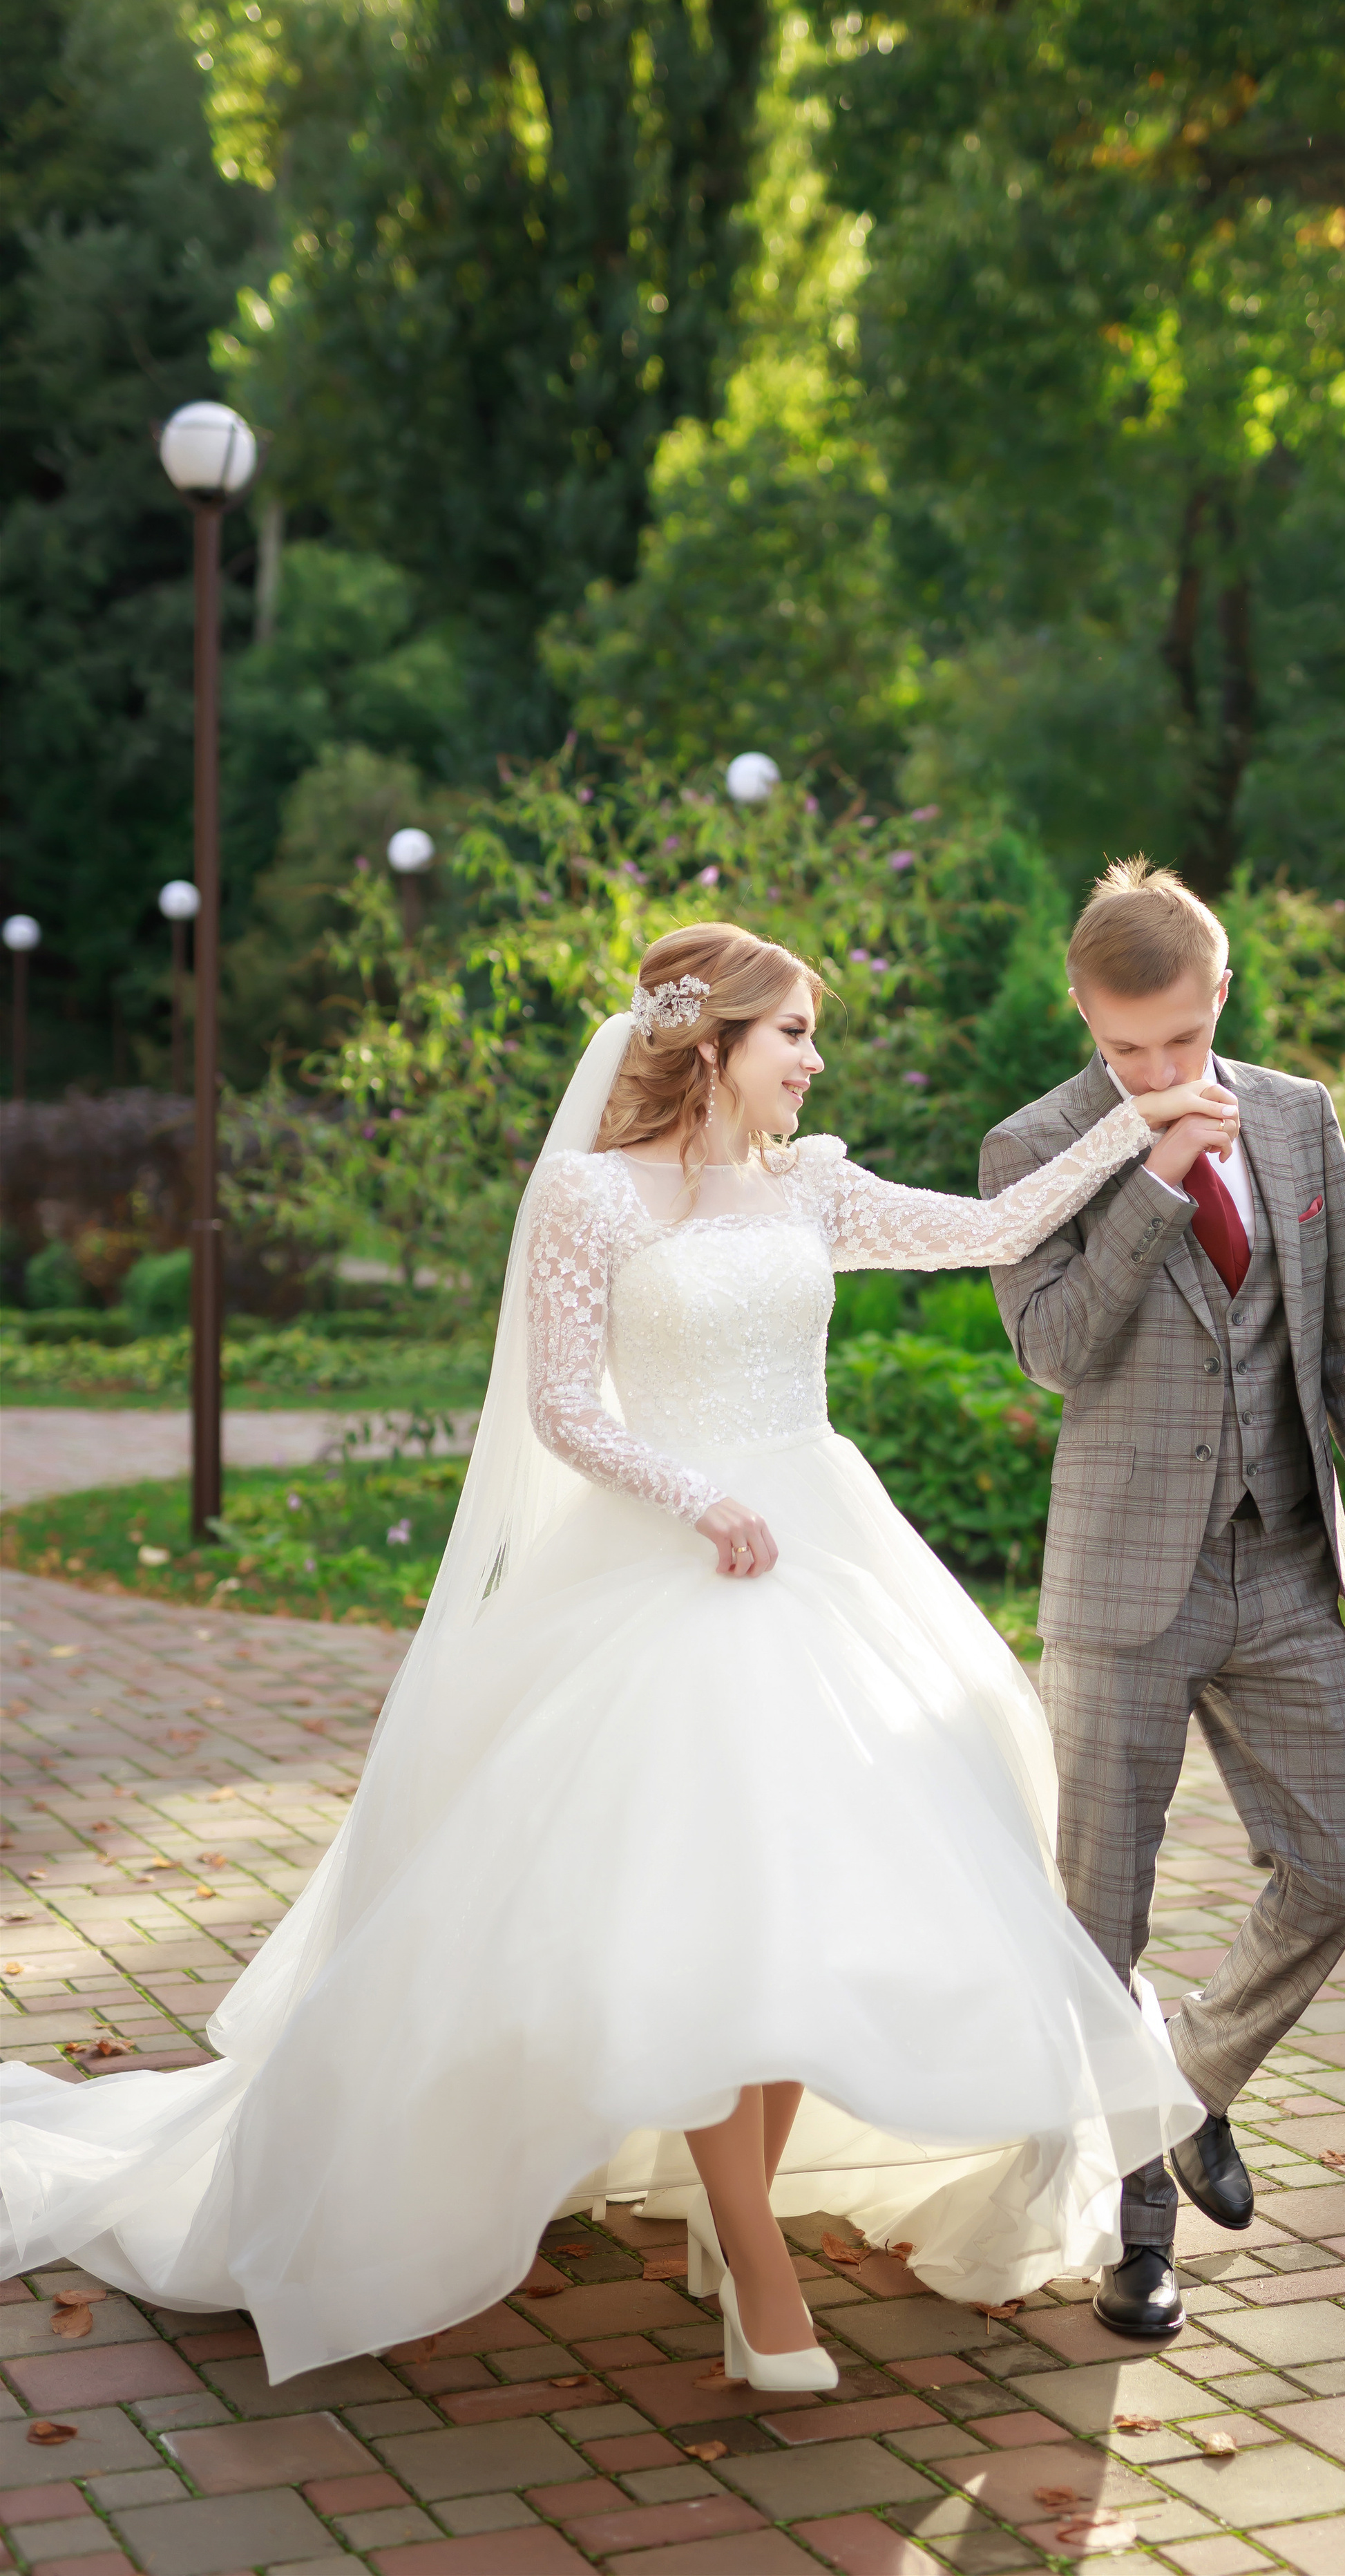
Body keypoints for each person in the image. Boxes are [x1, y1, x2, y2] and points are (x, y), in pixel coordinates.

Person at [0, 918, 1224, 2388]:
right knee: (715, 1904)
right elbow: (564, 1408)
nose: (813, 1061)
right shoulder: (590, 1198)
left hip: (824, 1548)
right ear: (713, 1048)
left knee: (800, 1907)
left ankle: (738, 2224)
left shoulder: (809, 1186)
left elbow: (992, 1229)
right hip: (676, 1562)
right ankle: (751, 2261)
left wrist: (1133, 1133)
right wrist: (692, 1495)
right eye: (794, 1037)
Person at [982, 859, 1345, 2340]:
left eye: (1178, 1043)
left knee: (1333, 1875)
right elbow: (1052, 1348)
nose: (1157, 1073)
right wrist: (1158, 1175)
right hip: (1120, 1587)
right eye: (1126, 1051)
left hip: (1280, 1562)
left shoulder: (1299, 1118)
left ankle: (1183, 2089)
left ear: (1218, 994)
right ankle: (1134, 2237)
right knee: (1096, 1923)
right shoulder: (1033, 1145)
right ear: (1085, 1020)